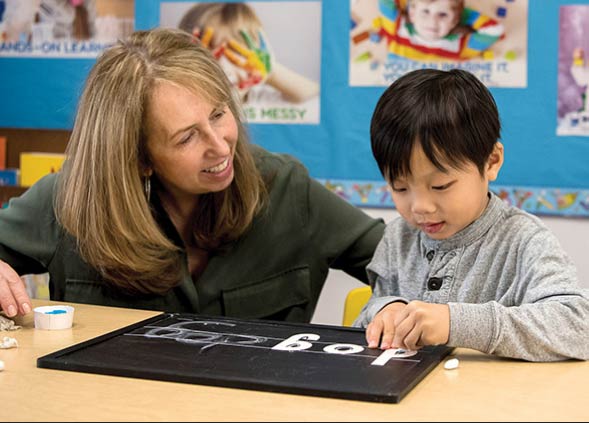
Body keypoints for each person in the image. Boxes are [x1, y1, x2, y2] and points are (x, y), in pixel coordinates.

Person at [0, 27, 384, 322]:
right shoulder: (70, 199)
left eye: (218, 114)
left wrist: (407, 308)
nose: (220, 146)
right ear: (137, 158)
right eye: (187, 137)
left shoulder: (286, 188)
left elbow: (416, 258)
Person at [354, 68, 589, 361]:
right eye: (400, 188)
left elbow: (579, 327)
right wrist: (385, 310)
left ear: (491, 161)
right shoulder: (398, 236)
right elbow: (374, 307)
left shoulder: (524, 241)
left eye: (440, 185)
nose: (420, 207)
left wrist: (456, 323)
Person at [177, 2, 319, 104]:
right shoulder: (185, 104)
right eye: (209, 53)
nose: (224, 69)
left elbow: (314, 96)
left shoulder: (259, 100)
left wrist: (270, 72)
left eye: (236, 53)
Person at [372, 0, 505, 61]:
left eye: (443, 15)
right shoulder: (396, 28)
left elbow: (495, 30)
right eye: (425, 11)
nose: (432, 22)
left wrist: (459, 11)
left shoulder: (459, 47)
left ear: (455, 20)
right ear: (412, 14)